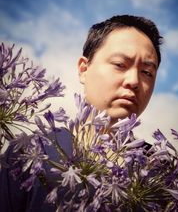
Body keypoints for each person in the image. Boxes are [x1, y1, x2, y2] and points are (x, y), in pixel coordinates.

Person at [0, 15, 163, 212]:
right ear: (84, 69)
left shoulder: (161, 173)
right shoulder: (29, 150)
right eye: (120, 64)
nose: (134, 81)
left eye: (147, 72)